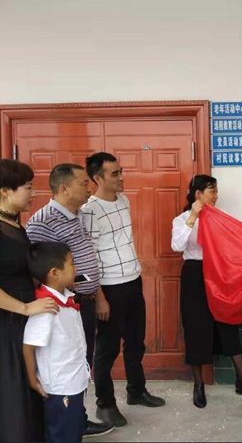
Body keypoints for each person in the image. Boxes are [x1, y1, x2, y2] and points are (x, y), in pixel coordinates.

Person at [25, 163, 112, 438]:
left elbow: (86, 259)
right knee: (64, 367)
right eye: (84, 183)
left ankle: (78, 418)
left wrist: (98, 295)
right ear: (64, 188)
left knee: (81, 361)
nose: (90, 188)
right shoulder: (42, 222)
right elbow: (39, 271)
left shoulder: (78, 214)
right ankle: (65, 421)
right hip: (61, 308)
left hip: (83, 303)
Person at [81, 152, 165, 428]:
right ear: (97, 178)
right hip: (109, 287)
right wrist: (99, 298)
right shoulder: (89, 211)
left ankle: (136, 391)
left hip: (132, 280)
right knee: (106, 349)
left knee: (136, 341)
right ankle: (105, 405)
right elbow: (89, 255)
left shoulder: (123, 200)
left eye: (121, 171)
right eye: (115, 174)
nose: (121, 178)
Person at [171, 174, 242, 408]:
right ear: (198, 194)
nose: (216, 196)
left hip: (219, 272)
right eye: (212, 191)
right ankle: (198, 384)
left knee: (228, 322)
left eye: (216, 191)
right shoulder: (182, 219)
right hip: (195, 274)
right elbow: (177, 246)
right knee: (196, 327)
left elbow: (238, 241)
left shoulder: (220, 218)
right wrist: (193, 217)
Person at [23, 242, 114, 442]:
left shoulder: (64, 296)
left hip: (73, 380)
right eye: (72, 263)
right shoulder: (46, 309)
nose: (76, 268)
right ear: (55, 273)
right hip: (60, 387)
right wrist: (32, 379)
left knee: (73, 431)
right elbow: (28, 345)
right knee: (62, 435)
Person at [0, 159, 59, 442]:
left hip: (25, 319)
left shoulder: (14, 224)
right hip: (8, 322)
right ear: (5, 191)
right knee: (13, 394)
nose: (34, 194)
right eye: (27, 187)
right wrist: (24, 307)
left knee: (30, 385)